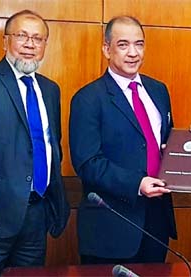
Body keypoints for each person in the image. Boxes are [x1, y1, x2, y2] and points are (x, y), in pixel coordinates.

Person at [0, 10, 69, 276]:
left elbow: (52, 147)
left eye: (38, 39)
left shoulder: (50, 89)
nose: (30, 44)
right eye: (22, 36)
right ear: (6, 41)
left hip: (36, 217)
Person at [69, 15, 176, 264]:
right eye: (123, 44)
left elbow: (162, 144)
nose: (133, 53)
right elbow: (87, 162)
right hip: (111, 227)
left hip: (156, 220)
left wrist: (185, 149)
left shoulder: (158, 90)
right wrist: (137, 183)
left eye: (139, 44)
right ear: (107, 49)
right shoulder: (88, 98)